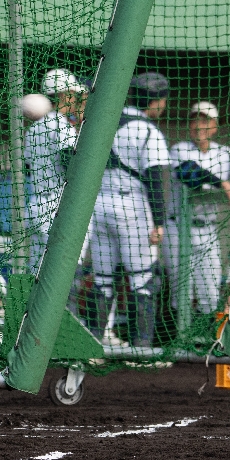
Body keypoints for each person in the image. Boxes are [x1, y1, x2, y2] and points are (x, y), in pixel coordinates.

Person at [86, 71, 170, 346]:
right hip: (132, 207)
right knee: (143, 280)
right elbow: (157, 179)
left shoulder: (102, 120)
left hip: (97, 205)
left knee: (102, 278)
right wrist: (159, 221)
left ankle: (94, 344)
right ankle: (142, 348)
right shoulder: (147, 130)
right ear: (157, 100)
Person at [162, 102, 230, 324]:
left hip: (207, 230)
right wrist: (223, 183)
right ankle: (177, 345)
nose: (198, 125)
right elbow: (189, 173)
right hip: (178, 228)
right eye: (195, 120)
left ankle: (203, 343)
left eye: (205, 120)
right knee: (181, 291)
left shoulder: (224, 153)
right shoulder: (179, 148)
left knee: (210, 291)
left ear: (215, 126)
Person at [23, 68, 88, 278]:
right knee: (64, 273)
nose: (75, 99)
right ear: (63, 95)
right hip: (57, 208)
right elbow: (70, 161)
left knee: (36, 273)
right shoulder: (61, 126)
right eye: (73, 94)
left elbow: (27, 166)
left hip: (36, 205)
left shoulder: (34, 128)